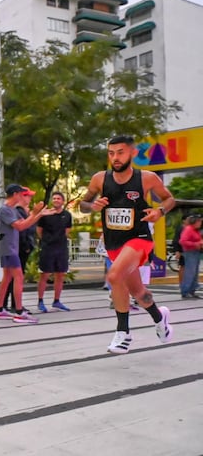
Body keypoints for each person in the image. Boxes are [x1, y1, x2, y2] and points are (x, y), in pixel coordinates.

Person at [80, 135, 175, 354]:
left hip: (139, 239)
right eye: (111, 153)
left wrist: (159, 211)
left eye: (120, 152)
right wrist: (92, 206)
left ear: (132, 153)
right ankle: (161, 320)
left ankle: (123, 332)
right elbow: (83, 204)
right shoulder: (99, 179)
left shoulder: (147, 178)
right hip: (114, 243)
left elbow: (169, 199)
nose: (115, 157)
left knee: (114, 276)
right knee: (139, 292)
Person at [0, 184, 54, 323]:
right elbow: (20, 226)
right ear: (15, 194)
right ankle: (19, 312)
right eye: (21, 194)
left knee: (7, 278)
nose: (22, 197)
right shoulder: (5, 210)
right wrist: (35, 213)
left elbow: (24, 224)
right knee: (18, 277)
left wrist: (38, 214)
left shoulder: (12, 210)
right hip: (9, 248)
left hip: (11, 248)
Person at [36, 191, 73, 313]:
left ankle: (56, 301)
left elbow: (67, 230)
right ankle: (40, 301)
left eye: (58, 198)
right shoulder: (46, 215)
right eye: (54, 198)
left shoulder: (67, 215)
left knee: (60, 275)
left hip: (61, 248)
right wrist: (46, 241)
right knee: (44, 274)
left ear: (62, 201)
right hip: (47, 248)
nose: (56, 200)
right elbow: (39, 230)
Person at [1, 186, 36, 311]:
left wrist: (35, 214)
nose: (30, 198)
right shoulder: (10, 210)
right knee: (15, 278)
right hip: (14, 248)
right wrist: (36, 214)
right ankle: (15, 308)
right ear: (17, 195)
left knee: (10, 278)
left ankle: (3, 307)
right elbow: (22, 228)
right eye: (27, 195)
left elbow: (27, 225)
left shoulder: (16, 210)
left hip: (15, 247)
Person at [179, 213, 202, 298]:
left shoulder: (195, 230)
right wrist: (195, 244)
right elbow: (182, 241)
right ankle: (185, 291)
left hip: (196, 252)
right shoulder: (188, 229)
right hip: (190, 252)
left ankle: (192, 290)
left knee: (195, 273)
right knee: (190, 272)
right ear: (195, 222)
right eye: (199, 221)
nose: (200, 223)